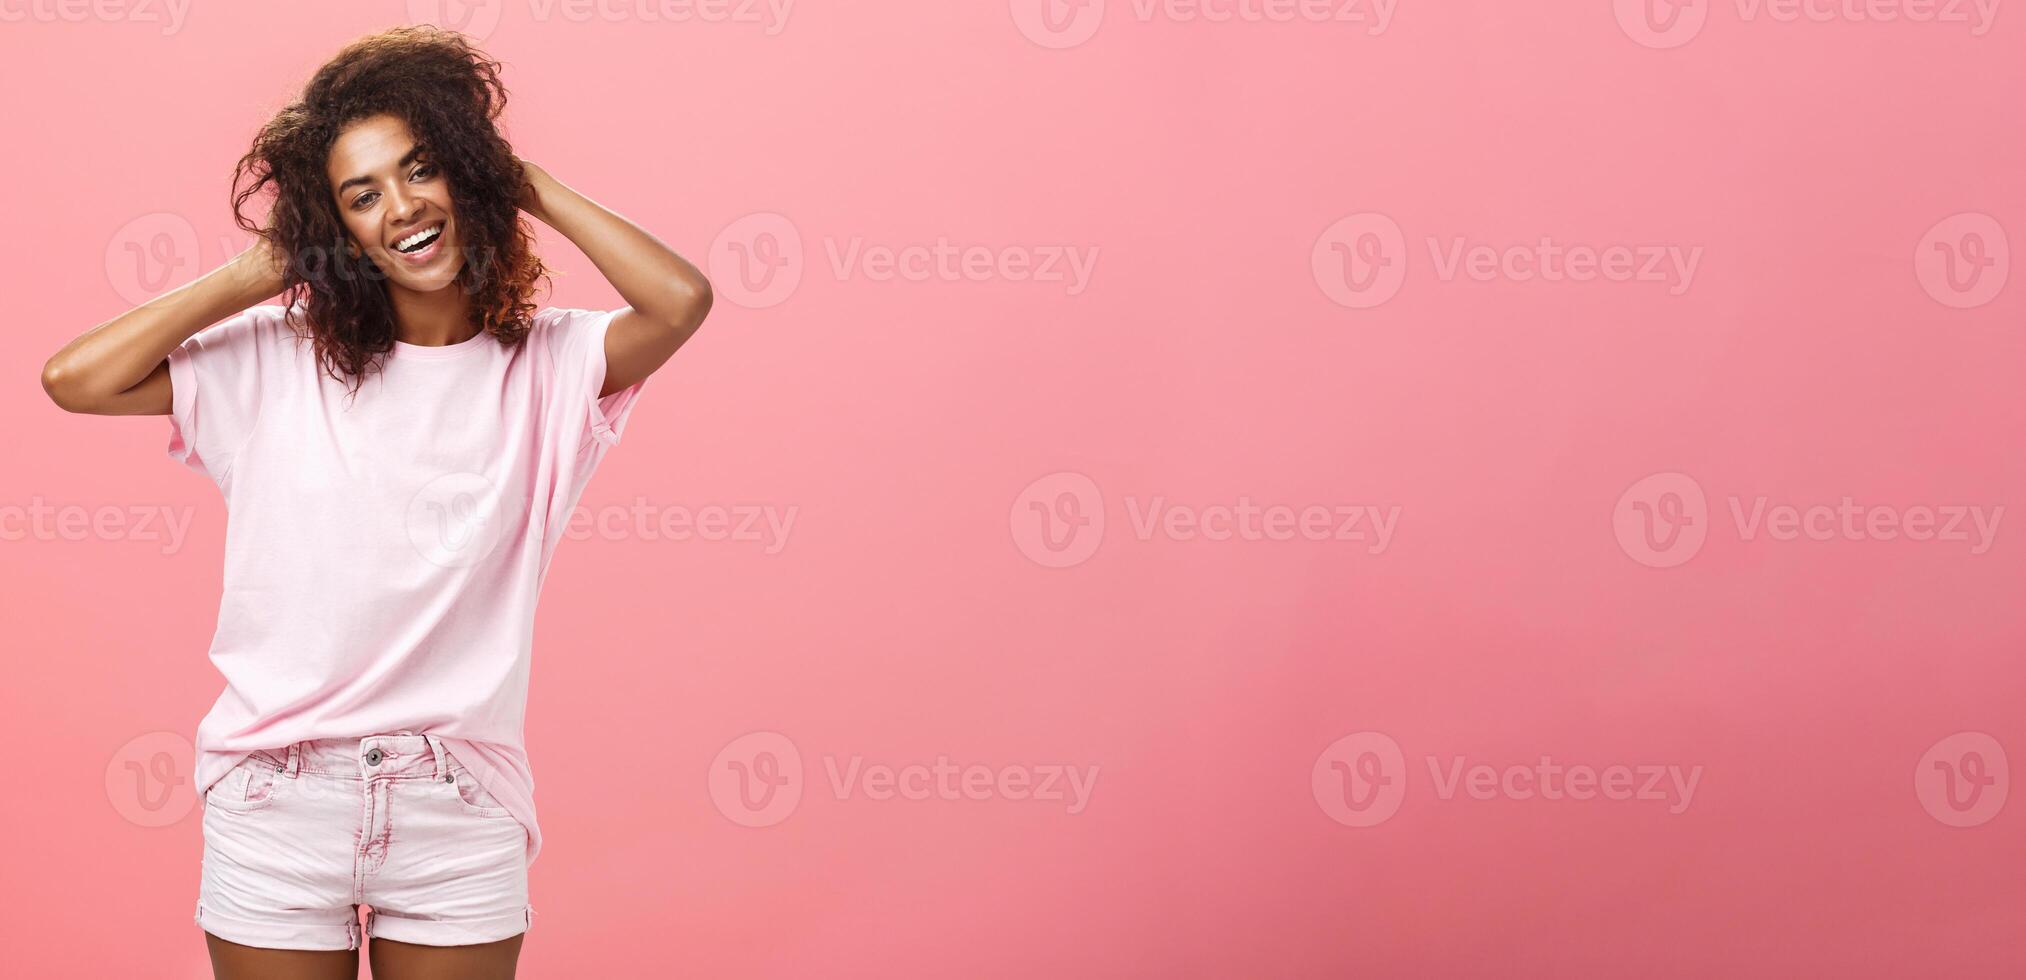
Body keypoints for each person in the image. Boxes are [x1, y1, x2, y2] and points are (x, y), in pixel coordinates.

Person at [39, 25, 712, 980]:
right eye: (362, 195)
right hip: (277, 797)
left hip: (458, 803)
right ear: (337, 226)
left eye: (423, 168)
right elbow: (75, 379)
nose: (402, 207)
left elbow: (681, 300)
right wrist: (261, 270)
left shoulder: (554, 367)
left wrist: (521, 180)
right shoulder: (277, 360)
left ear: (466, 176)